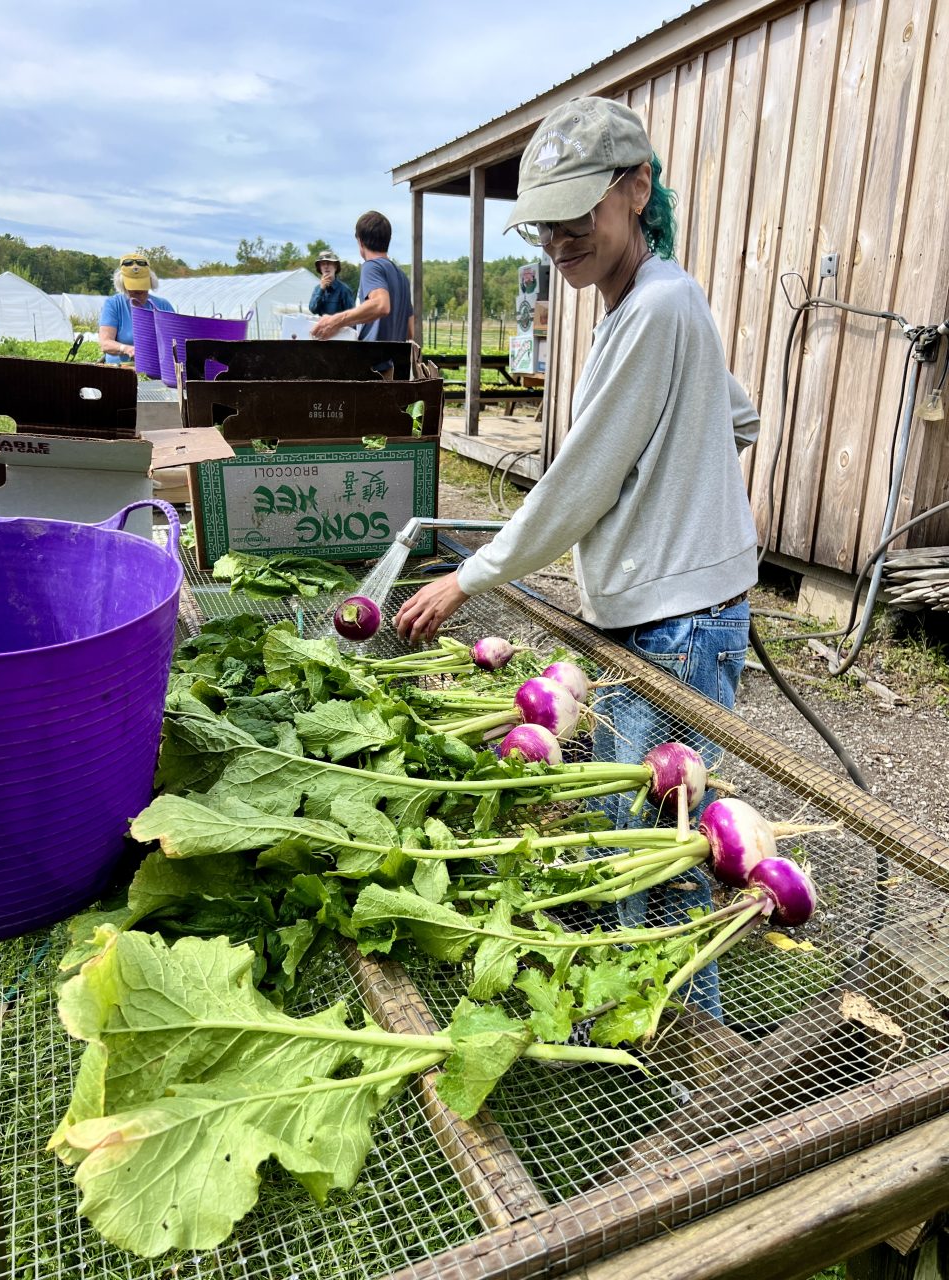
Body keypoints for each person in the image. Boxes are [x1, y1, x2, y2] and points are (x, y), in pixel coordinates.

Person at [393, 97, 760, 1016]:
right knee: (634, 834)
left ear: (636, 190)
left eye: (577, 217)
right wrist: (688, 468)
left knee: (657, 852)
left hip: (677, 623)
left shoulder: (657, 306)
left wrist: (468, 575)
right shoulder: (649, 299)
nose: (558, 242)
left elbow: (579, 480)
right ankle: (652, 1029)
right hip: (669, 610)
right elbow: (739, 414)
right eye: (546, 226)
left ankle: (691, 1061)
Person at [312, 211, 414, 342]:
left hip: (373, 359)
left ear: (360, 242)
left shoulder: (371, 266)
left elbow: (381, 305)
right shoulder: (402, 277)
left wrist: (334, 321)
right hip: (395, 360)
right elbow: (410, 331)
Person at [98, 252, 174, 364]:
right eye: (133, 290)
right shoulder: (113, 304)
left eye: (142, 289)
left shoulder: (163, 305)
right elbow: (105, 343)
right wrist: (127, 349)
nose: (139, 293)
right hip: (121, 369)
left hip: (156, 368)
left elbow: (175, 341)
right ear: (123, 285)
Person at [309, 250, 355, 316]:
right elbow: (313, 309)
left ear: (335, 267)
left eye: (329, 263)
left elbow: (351, 317)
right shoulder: (317, 289)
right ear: (320, 268)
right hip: (322, 326)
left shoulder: (344, 290)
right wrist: (321, 290)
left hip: (340, 326)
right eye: (323, 264)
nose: (326, 266)